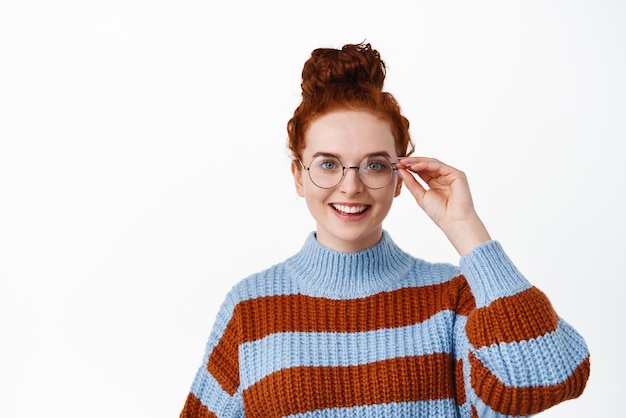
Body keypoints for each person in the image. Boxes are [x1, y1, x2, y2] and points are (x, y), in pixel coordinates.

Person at [180, 42, 590, 418]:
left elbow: (549, 375)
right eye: (328, 163)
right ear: (298, 177)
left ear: (399, 178)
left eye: (374, 164)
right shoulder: (251, 309)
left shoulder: (452, 298)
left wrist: (466, 228)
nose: (351, 185)